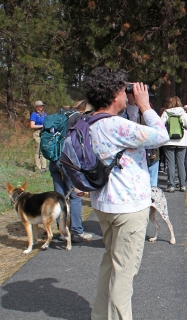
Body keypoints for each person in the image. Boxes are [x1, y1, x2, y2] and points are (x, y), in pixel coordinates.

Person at [84, 67, 169, 320]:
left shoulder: (89, 121)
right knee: (124, 274)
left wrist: (132, 107)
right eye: (124, 90)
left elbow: (128, 134)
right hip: (128, 208)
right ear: (113, 94)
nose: (127, 94)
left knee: (111, 264)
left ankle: (100, 315)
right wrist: (145, 106)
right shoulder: (116, 126)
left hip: (104, 204)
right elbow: (161, 136)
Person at [50, 100, 93, 243]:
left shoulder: (60, 113)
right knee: (75, 196)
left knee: (59, 197)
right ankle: (77, 231)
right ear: (84, 109)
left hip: (54, 159)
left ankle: (62, 232)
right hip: (68, 160)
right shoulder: (78, 118)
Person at [160, 96, 187, 192]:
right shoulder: (183, 114)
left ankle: (171, 185)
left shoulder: (166, 113)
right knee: (181, 163)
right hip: (181, 142)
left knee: (170, 163)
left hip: (169, 142)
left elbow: (159, 125)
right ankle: (182, 185)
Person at [123, 99, 160, 187]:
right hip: (151, 148)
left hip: (138, 150)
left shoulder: (128, 116)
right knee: (153, 175)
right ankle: (153, 192)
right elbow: (158, 134)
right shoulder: (151, 117)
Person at [30, 100, 48, 172]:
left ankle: (44, 167)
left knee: (43, 150)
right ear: (36, 107)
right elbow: (32, 125)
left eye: (42, 106)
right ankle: (38, 167)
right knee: (38, 150)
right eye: (40, 106)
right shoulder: (34, 114)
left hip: (44, 133)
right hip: (37, 133)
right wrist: (42, 126)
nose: (41, 107)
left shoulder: (45, 114)